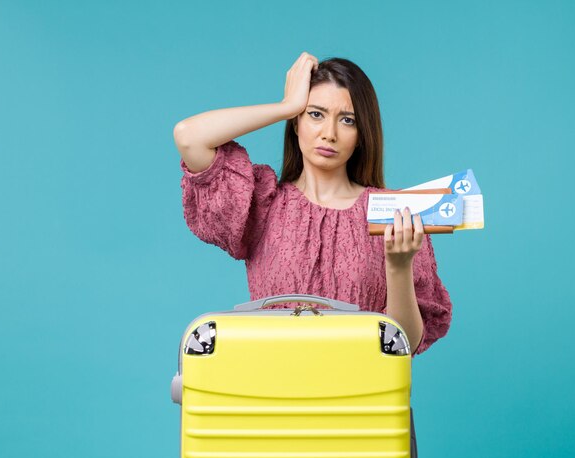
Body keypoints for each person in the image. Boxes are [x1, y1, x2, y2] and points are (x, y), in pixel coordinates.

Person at [173, 52, 452, 356]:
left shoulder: (393, 214)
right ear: (296, 124)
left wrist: (399, 266)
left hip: (359, 398)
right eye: (316, 114)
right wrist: (286, 106)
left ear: (361, 134)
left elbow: (403, 346)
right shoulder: (263, 204)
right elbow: (189, 137)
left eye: (347, 120)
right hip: (271, 394)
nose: (329, 134)